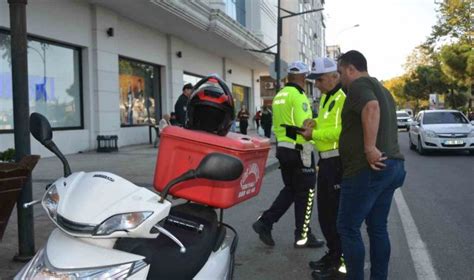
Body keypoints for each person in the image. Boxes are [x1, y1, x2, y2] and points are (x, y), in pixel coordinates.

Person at [336, 50, 406, 280]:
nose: (340, 78)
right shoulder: (384, 89)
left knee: (347, 227)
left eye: (340, 73)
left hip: (367, 170)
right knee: (377, 228)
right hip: (391, 167)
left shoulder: (359, 85)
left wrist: (369, 148)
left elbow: (371, 107)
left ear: (350, 69)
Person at [252, 61, 325, 249]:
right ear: (301, 77)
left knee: (292, 189)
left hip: (283, 150)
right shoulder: (298, 96)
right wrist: (320, 129)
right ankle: (303, 235)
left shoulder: (279, 95)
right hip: (300, 150)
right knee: (307, 193)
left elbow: (282, 126)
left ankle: (265, 222)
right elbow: (304, 126)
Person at [301, 57, 346, 280]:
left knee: (337, 217)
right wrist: (313, 123)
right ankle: (333, 255)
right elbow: (329, 125)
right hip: (326, 162)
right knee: (326, 215)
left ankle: (340, 266)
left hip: (338, 162)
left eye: (319, 80)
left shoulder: (343, 97)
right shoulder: (328, 97)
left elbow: (343, 131)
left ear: (334, 76)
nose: (316, 85)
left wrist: (314, 134)